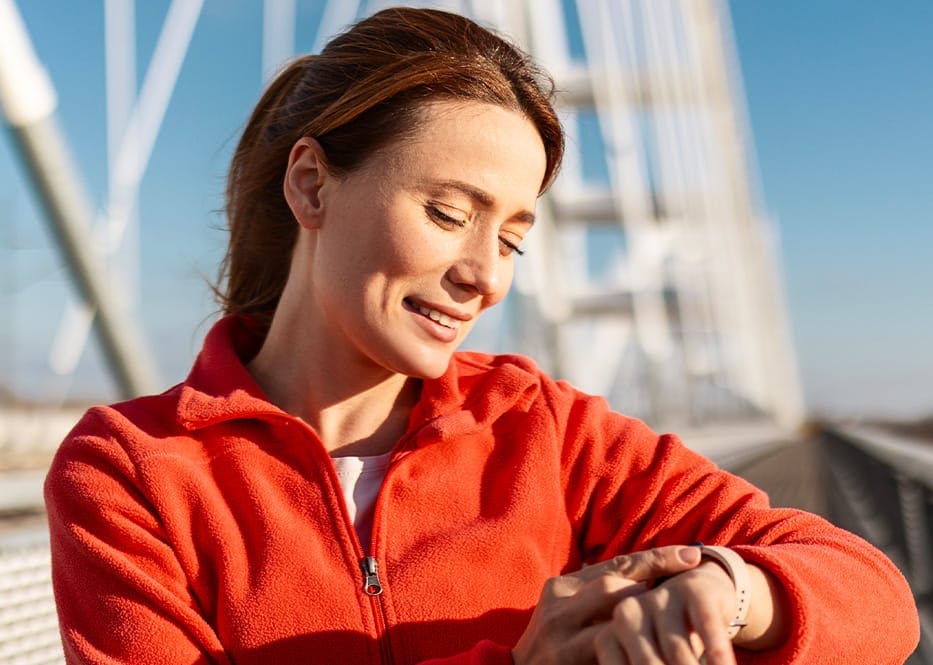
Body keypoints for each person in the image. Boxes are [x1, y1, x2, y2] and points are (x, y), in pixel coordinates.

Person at [44, 7, 919, 665]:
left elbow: (880, 601)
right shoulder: (132, 471)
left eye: (510, 238)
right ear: (310, 186)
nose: (485, 276)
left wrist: (723, 593)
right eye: (447, 213)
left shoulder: (547, 431)